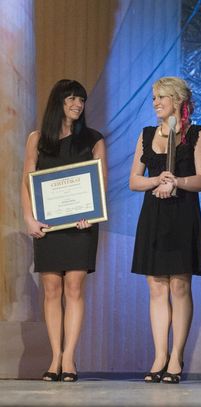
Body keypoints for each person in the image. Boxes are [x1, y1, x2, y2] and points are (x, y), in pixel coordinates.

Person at [21, 79, 107, 382]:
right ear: (58, 102)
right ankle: (55, 356)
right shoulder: (37, 139)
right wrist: (29, 219)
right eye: (71, 99)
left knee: (74, 287)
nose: (77, 105)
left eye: (81, 100)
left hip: (81, 227)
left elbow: (100, 185)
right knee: (51, 289)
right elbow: (27, 182)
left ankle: (69, 357)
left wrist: (92, 215)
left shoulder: (93, 139)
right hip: (48, 226)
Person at [129, 77, 201, 384]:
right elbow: (134, 181)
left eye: (161, 97)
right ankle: (159, 355)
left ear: (178, 100)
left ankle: (177, 356)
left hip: (182, 214)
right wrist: (156, 180)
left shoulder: (197, 134)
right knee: (156, 286)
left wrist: (177, 181)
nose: (156, 103)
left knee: (180, 286)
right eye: (154, 98)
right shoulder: (147, 134)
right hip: (154, 216)